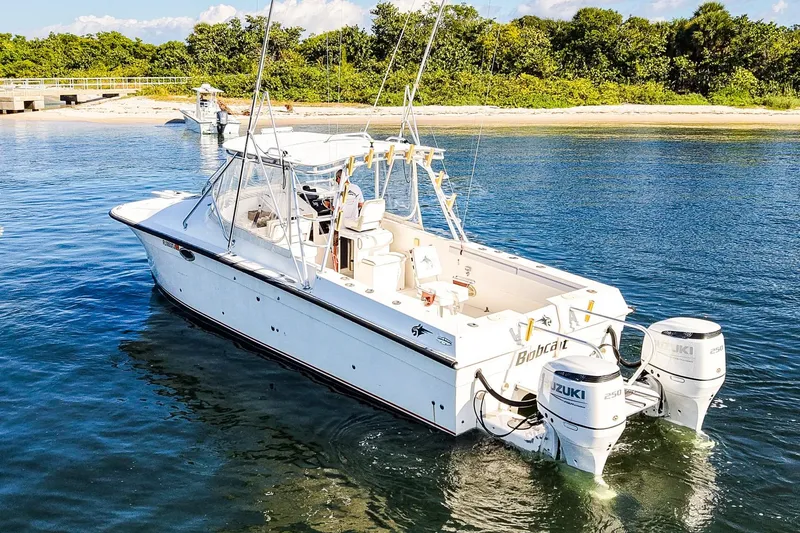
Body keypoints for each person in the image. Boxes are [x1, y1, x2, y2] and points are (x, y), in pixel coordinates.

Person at [324, 169, 364, 271]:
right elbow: (361, 205)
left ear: (338, 179)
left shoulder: (338, 192)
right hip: (353, 225)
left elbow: (336, 209)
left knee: (335, 246)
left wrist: (328, 205)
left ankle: (336, 270)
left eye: (336, 179)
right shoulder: (357, 188)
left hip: (341, 226)